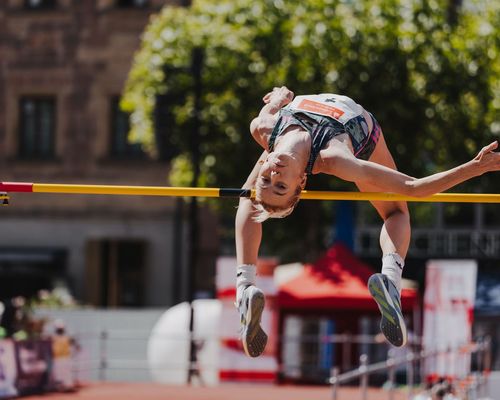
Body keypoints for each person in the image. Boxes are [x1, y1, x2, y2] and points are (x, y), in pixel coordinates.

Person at [235, 86, 500, 358]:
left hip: (303, 118)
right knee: (396, 211)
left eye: (267, 180)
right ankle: (390, 281)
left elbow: (270, 110)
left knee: (248, 195)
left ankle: (244, 287)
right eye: (281, 186)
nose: (273, 174)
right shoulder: (336, 158)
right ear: (301, 181)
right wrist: (475, 167)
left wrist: (279, 99)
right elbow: (413, 186)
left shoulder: (264, 128)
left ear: (265, 164)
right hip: (357, 128)